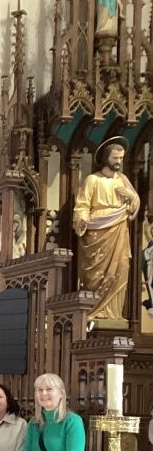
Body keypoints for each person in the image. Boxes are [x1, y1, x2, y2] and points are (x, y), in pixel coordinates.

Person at [73, 138, 141, 323]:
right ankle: (94, 312)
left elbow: (135, 204)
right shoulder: (93, 180)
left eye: (121, 158)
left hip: (119, 229)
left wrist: (132, 196)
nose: (119, 162)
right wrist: (82, 220)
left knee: (121, 269)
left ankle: (113, 314)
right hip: (98, 233)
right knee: (96, 275)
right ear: (105, 158)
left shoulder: (123, 180)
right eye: (115, 158)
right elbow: (82, 205)